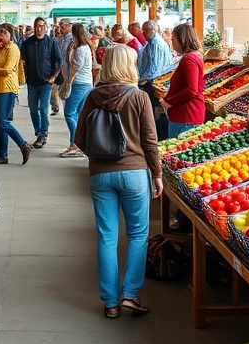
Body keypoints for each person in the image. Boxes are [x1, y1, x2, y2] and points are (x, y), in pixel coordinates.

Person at [74, 44, 163, 318]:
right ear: (128, 65)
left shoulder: (92, 96)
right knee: (137, 234)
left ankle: (110, 301)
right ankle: (130, 296)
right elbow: (150, 140)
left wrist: (98, 156)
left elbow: (78, 138)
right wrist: (157, 173)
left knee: (107, 236)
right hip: (135, 174)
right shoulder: (139, 97)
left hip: (100, 175)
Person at [0, 24, 31, 165]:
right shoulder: (2, 48)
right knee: (1, 122)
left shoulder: (13, 49)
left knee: (2, 122)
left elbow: (7, 69)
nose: (0, 35)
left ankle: (23, 144)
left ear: (10, 35)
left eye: (3, 33)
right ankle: (3, 154)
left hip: (7, 88)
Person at [20, 17, 62, 149]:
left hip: (46, 83)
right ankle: (38, 132)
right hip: (32, 82)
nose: (39, 29)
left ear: (45, 27)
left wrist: (54, 76)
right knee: (33, 110)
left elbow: (59, 60)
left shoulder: (51, 42)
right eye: (37, 26)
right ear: (34, 27)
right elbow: (22, 61)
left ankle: (43, 133)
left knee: (43, 109)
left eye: (42, 26)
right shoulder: (27, 43)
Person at [159, 24, 205, 137]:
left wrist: (169, 101)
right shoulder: (193, 57)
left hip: (186, 116)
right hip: (188, 115)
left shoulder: (189, 59)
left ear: (182, 40)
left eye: (173, 38)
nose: (171, 41)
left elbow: (191, 90)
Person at [60, 22, 95, 157]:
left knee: (69, 113)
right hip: (86, 83)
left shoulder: (80, 49)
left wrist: (68, 81)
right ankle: (77, 143)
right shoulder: (86, 47)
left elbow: (76, 68)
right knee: (79, 115)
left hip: (79, 84)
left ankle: (76, 143)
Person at [51, 18, 73, 117]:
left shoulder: (71, 39)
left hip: (68, 74)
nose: (60, 27)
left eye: (62, 25)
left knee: (69, 111)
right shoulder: (63, 39)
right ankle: (56, 108)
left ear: (69, 26)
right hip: (62, 72)